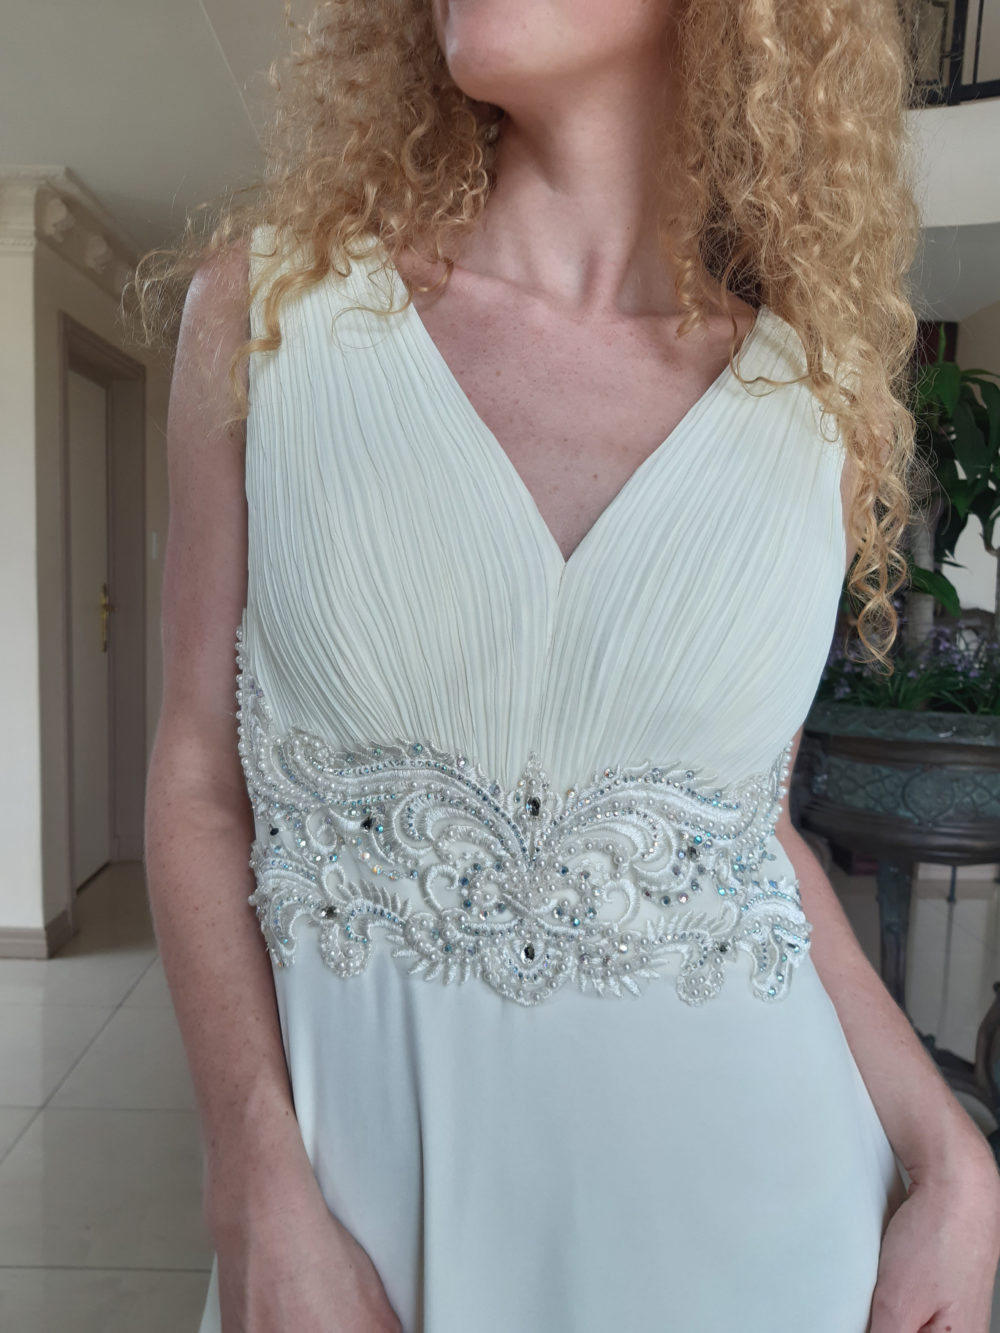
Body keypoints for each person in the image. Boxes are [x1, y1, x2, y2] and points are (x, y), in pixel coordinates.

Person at [130, 0, 1000, 1329]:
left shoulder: (811, 408)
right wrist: (252, 1186)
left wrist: (954, 1156)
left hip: (762, 1247)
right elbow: (197, 782)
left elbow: (747, 836)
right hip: (366, 1248)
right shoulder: (265, 317)